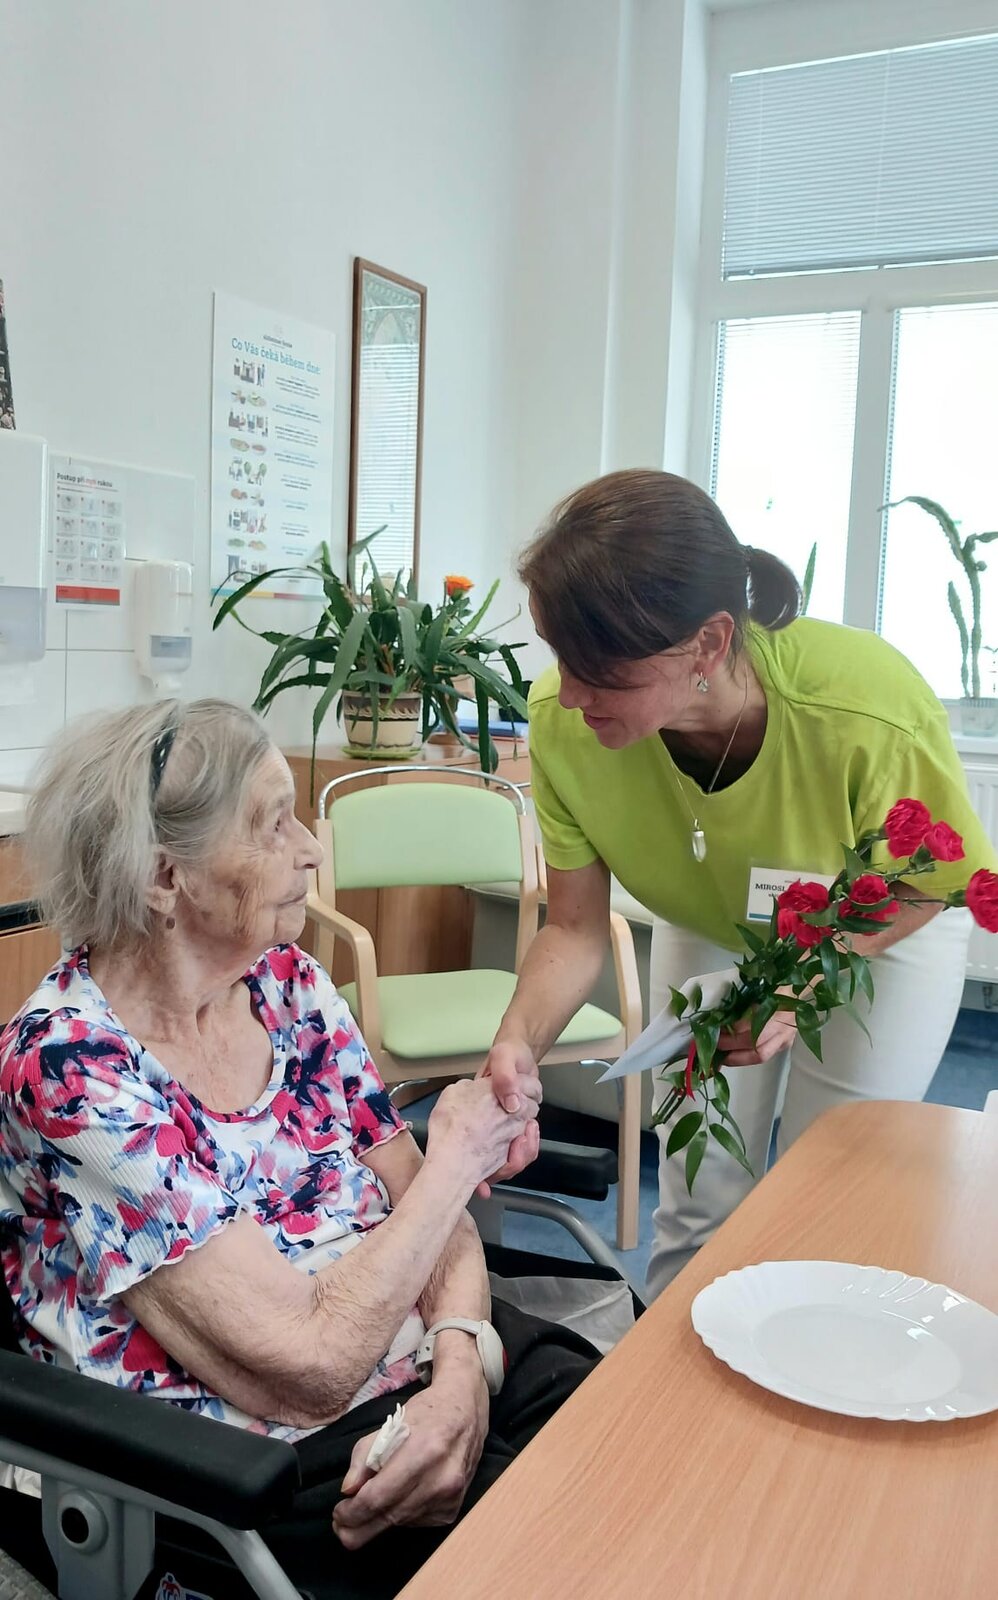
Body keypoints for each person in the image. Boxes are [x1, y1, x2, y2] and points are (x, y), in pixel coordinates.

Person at [0, 700, 598, 1600]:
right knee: (569, 1552)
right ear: (164, 877)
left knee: (628, 1439)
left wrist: (460, 1370)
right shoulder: (70, 1068)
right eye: (272, 823)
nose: (312, 849)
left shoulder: (289, 984)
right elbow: (311, 1369)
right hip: (258, 1466)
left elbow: (429, 1216)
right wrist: (458, 1160)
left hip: (428, 1366)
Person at [481, 469, 997, 1298]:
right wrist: (518, 1041)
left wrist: (799, 983)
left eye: (600, 669)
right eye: (559, 656)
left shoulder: (863, 709)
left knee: (827, 1183)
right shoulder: (564, 724)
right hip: (711, 917)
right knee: (699, 1189)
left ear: (709, 645)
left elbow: (926, 883)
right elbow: (574, 928)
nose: (569, 693)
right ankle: (673, 1369)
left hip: (880, 925)